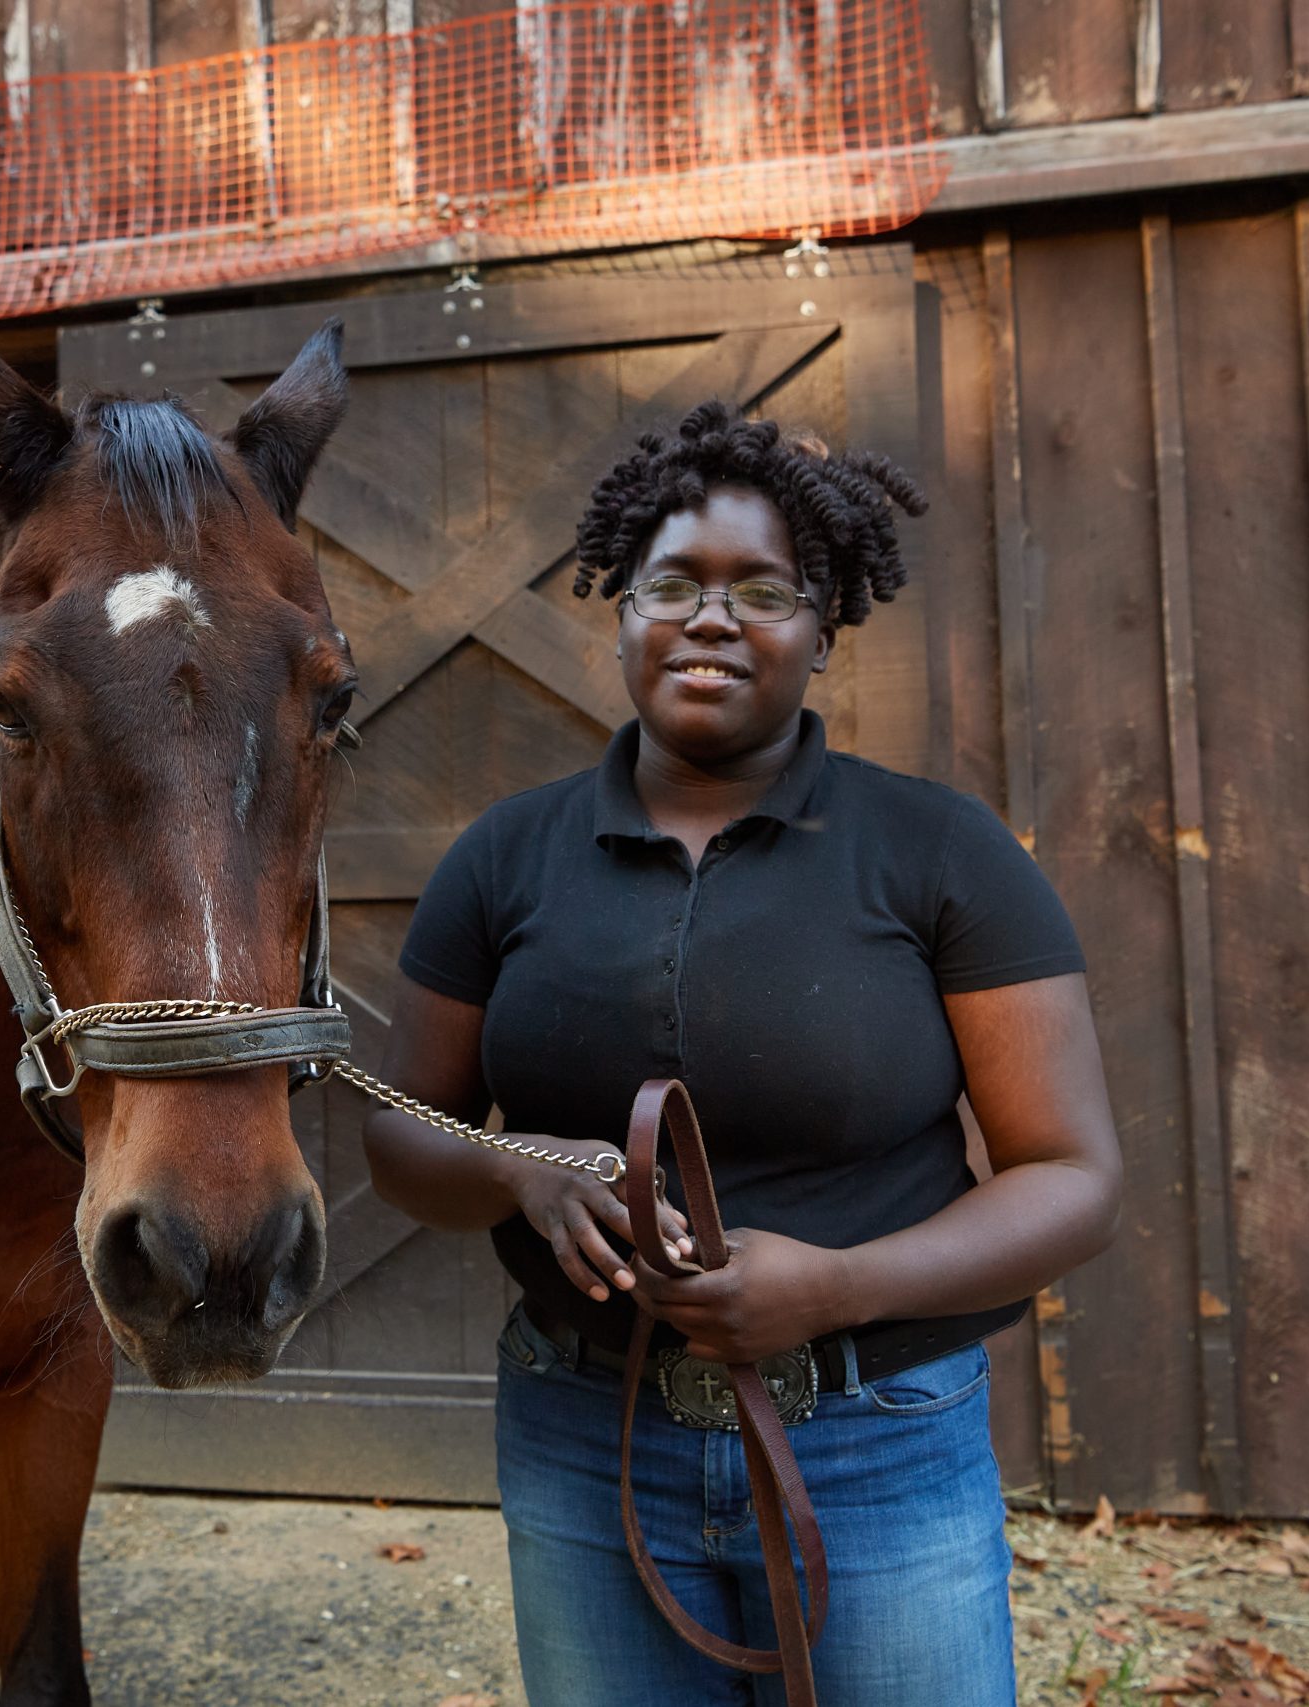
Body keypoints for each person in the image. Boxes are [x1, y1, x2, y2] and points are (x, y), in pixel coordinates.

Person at [360, 401, 1122, 1706]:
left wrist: (839, 1287)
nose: (713, 618)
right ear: (620, 611)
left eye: (765, 591)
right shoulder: (504, 858)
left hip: (879, 1438)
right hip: (583, 1437)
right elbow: (398, 1134)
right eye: (674, 585)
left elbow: (1072, 1176)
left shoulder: (941, 854)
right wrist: (514, 1170)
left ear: (825, 632)